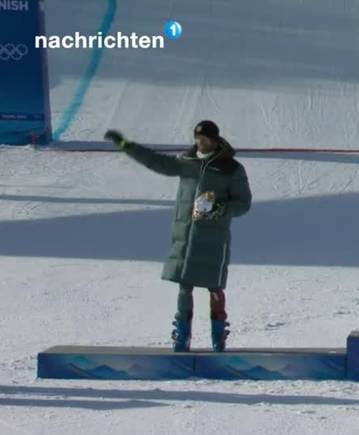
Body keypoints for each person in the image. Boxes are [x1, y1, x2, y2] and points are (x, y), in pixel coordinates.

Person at [103, 121, 252, 352]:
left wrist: (220, 208)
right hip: (185, 236)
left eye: (205, 138)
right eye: (197, 137)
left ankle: (218, 335)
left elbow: (244, 203)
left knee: (214, 287)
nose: (200, 142)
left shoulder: (230, 168)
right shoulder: (187, 162)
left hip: (213, 238)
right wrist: (126, 145)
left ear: (215, 139)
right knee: (184, 286)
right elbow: (157, 162)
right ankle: (182, 336)